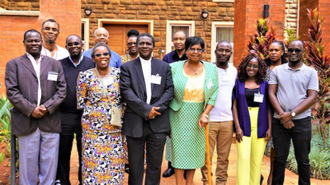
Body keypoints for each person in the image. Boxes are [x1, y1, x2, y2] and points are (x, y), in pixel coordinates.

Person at [5, 29, 66, 185]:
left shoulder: (55, 64)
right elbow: (12, 91)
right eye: (30, 41)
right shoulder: (14, 64)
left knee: (50, 162)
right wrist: (31, 109)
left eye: (37, 40)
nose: (34, 43)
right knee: (27, 164)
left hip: (50, 120)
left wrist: (46, 107)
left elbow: (62, 90)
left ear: (41, 42)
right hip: (26, 121)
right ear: (24, 43)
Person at [120, 33, 174, 185]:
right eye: (141, 43)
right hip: (135, 122)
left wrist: (155, 110)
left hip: (158, 122)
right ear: (136, 46)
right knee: (135, 166)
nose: (144, 46)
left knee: (155, 165)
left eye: (148, 43)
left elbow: (169, 90)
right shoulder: (127, 68)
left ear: (153, 46)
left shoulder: (164, 67)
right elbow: (126, 92)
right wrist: (146, 110)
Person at [169, 36, 218, 185]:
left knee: (193, 152)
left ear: (203, 51)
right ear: (186, 50)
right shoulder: (174, 67)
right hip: (178, 113)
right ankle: (179, 183)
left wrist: (205, 114)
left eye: (199, 49)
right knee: (178, 151)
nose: (195, 52)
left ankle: (189, 183)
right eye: (192, 49)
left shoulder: (211, 68)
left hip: (199, 115)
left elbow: (214, 93)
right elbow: (167, 91)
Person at [268, 40, 318, 185]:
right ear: (286, 51)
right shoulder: (277, 70)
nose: (293, 53)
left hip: (302, 122)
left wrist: (292, 114)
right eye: (291, 50)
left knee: (303, 160)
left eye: (297, 50)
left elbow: (312, 96)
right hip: (279, 122)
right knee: (279, 159)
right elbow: (272, 94)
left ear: (303, 52)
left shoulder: (310, 72)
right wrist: (283, 115)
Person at [77, 43, 124, 184]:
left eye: (105, 54)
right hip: (92, 129)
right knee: (93, 162)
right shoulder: (85, 76)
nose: (102, 57)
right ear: (93, 58)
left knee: (113, 161)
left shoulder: (119, 74)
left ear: (110, 56)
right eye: (98, 54)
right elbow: (80, 101)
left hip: (114, 127)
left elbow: (125, 98)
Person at [56, 34, 94, 185]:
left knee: (84, 151)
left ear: (82, 45)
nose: (74, 46)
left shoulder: (92, 63)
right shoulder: (59, 64)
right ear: (66, 47)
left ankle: (83, 181)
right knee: (63, 151)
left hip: (86, 115)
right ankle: (63, 181)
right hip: (64, 114)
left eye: (76, 43)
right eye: (70, 44)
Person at [201, 40, 237, 185]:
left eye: (226, 50)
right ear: (215, 51)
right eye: (220, 50)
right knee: (206, 156)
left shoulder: (234, 70)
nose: (223, 53)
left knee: (224, 156)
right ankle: (206, 181)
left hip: (228, 120)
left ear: (230, 53)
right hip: (209, 119)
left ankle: (221, 182)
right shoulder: (207, 69)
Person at [232, 54, 271, 185]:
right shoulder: (238, 83)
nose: (252, 68)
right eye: (249, 65)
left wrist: (270, 128)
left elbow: (269, 107)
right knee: (243, 158)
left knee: (256, 160)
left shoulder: (265, 84)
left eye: (255, 66)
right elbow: (234, 105)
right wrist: (237, 127)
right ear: (244, 66)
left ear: (259, 68)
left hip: (261, 123)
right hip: (243, 122)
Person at [163, 30, 188, 178]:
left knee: (185, 136)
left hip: (187, 101)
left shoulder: (190, 56)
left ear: (186, 41)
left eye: (181, 39)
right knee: (171, 135)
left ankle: (184, 166)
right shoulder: (167, 58)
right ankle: (171, 166)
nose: (178, 41)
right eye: (176, 39)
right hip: (171, 101)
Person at [264, 41, 288, 185]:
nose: (273, 52)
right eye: (271, 50)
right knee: (260, 145)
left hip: (279, 111)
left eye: (276, 50)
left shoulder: (287, 68)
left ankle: (272, 177)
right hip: (262, 109)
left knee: (275, 147)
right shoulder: (263, 66)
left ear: (282, 52)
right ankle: (257, 174)